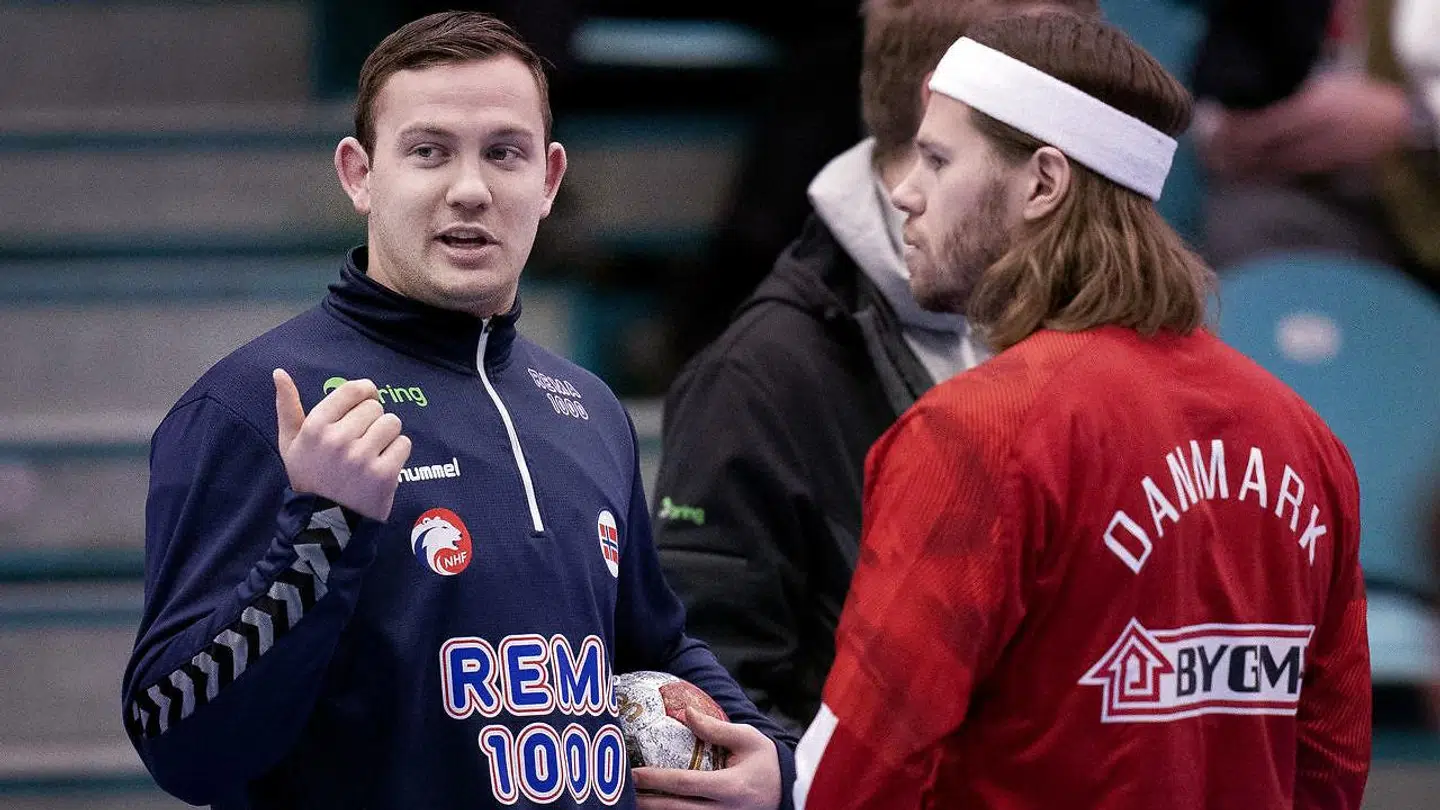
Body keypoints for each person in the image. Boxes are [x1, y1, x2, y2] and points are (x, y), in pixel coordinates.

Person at [120, 12, 793, 809]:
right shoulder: (254, 405)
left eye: (503, 153)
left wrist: (771, 762)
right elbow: (182, 747)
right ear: (360, 174)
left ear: (548, 180)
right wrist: (320, 531)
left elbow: (655, 639)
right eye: (428, 151)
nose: (469, 189)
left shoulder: (588, 407)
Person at [795, 10, 1371, 809]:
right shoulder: (1303, 439)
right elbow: (1330, 767)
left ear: (1043, 183)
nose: (903, 192)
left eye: (936, 158)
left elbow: (856, 776)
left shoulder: (976, 432)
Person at [650, 0, 1097, 736]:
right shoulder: (756, 381)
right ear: (946, 107)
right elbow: (710, 714)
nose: (1094, 159)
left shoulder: (1118, 347)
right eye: (1066, 107)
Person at [1193, 0, 1440, 298]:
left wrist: (1415, 120)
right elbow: (1219, 77)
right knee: (1248, 222)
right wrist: (1231, 131)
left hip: (1421, 195)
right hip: (1342, 199)